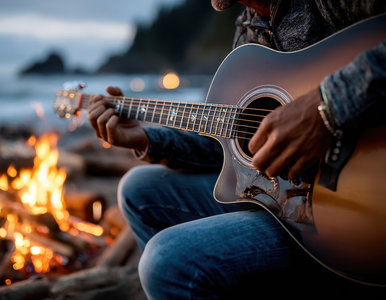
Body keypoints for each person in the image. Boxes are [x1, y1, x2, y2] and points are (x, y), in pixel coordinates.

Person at [87, 1, 385, 298]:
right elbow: (229, 149)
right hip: (280, 200)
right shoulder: (248, 33)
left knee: (165, 260)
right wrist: (146, 139)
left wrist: (326, 109)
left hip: (354, 214)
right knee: (140, 189)